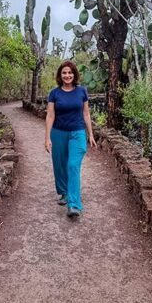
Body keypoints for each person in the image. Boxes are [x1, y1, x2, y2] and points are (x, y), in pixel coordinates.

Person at [45, 60, 97, 217]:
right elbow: (50, 115)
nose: (67, 75)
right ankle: (64, 192)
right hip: (59, 132)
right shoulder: (54, 93)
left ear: (74, 74)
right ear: (60, 76)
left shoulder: (82, 91)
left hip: (77, 133)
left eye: (70, 72)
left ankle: (74, 204)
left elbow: (86, 114)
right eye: (64, 73)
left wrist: (91, 134)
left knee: (73, 165)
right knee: (60, 164)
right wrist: (47, 137)